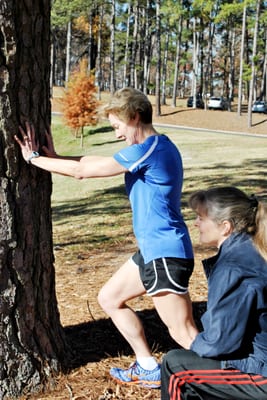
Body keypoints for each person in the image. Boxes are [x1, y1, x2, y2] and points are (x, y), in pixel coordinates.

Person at [15, 87, 198, 388]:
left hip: (165, 253)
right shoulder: (154, 148)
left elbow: (83, 172)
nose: (115, 134)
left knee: (183, 332)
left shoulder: (150, 149)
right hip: (154, 251)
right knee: (110, 298)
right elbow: (91, 163)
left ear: (135, 117)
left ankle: (230, 381)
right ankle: (148, 366)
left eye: (117, 126)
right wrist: (57, 157)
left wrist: (34, 159)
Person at [161, 186, 267, 400]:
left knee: (175, 366)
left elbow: (220, 343)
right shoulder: (253, 248)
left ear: (225, 227)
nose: (196, 223)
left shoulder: (233, 267)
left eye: (201, 217)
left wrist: (191, 341)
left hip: (262, 375)